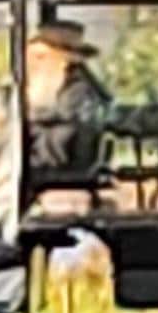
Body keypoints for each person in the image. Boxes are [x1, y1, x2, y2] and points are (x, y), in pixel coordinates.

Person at [23, 12, 111, 188]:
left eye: (40, 57)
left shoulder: (78, 90)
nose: (32, 65)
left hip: (57, 169)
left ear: (63, 60)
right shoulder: (60, 86)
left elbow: (61, 124)